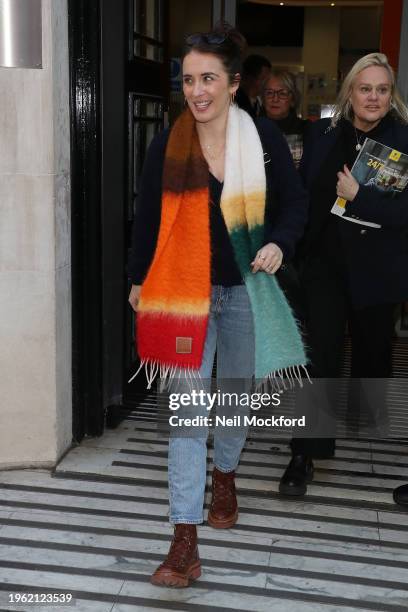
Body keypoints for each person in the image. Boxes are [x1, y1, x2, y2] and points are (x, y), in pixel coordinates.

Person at [128, 23, 308, 587]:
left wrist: (278, 242)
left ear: (233, 84)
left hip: (246, 293)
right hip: (185, 298)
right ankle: (184, 538)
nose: (197, 90)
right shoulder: (169, 141)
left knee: (232, 399)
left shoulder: (264, 141)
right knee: (187, 413)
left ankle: (225, 472)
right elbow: (147, 216)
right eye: (188, 80)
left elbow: (295, 205)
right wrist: (138, 281)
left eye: (209, 78)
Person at [279, 53, 408, 497]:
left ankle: (367, 422)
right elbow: (301, 194)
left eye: (382, 89)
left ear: (392, 95)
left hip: (378, 270)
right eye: (365, 88)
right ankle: (304, 452)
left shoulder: (404, 140)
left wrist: (359, 197)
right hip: (324, 267)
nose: (373, 97)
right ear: (349, 92)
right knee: (319, 358)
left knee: (373, 354)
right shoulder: (320, 134)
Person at [262, 69, 309, 168]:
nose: (275, 99)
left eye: (282, 93)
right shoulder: (250, 129)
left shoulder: (307, 130)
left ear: (292, 99)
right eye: (269, 93)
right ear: (263, 98)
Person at [235, 53, 271, 120]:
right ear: (251, 78)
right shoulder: (235, 102)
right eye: (264, 79)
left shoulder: (260, 101)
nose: (268, 83)